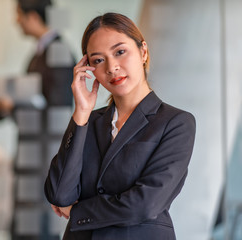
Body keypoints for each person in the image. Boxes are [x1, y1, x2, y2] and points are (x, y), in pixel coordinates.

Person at [44, 12, 196, 239]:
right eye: (98, 60)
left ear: (143, 52)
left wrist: (79, 212)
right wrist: (81, 113)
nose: (112, 67)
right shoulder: (87, 122)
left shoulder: (175, 123)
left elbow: (145, 204)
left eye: (120, 52)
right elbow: (59, 194)